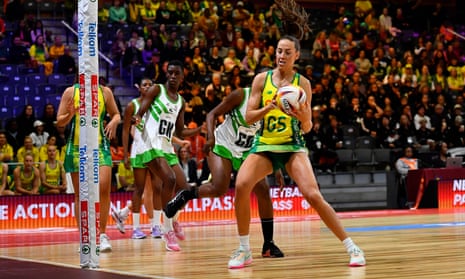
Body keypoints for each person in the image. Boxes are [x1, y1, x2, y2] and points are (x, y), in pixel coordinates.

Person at [225, 1, 366, 268]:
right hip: (265, 145)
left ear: (296, 56)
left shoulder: (303, 84)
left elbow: (308, 126)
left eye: (287, 52)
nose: (281, 56)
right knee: (242, 186)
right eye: (279, 51)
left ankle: (353, 247)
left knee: (312, 195)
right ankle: (244, 249)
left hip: (292, 146)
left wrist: (300, 114)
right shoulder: (261, 80)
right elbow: (247, 116)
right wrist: (271, 105)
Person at [165, 87, 285, 258]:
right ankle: (186, 195)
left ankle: (268, 244)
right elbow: (211, 114)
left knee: (263, 190)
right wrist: (211, 138)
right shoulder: (241, 95)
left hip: (247, 151)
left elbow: (270, 138)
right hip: (223, 144)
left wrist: (277, 168)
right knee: (219, 189)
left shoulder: (273, 106)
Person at [132, 61, 201, 251]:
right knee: (168, 179)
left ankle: (173, 219)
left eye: (176, 73)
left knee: (185, 189)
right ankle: (167, 229)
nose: (172, 76)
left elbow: (180, 130)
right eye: (169, 72)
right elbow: (142, 109)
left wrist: (200, 130)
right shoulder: (156, 90)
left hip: (166, 146)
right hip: (150, 145)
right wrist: (137, 117)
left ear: (181, 77)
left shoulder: (180, 101)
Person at [56, 81, 121, 252]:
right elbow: (59, 123)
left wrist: (114, 122)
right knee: (81, 194)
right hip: (77, 148)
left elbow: (116, 114)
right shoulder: (70, 91)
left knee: (103, 188)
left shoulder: (105, 92)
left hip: (100, 146)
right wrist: (70, 114)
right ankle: (84, 237)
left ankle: (101, 234)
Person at [112, 77, 164, 239]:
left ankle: (156, 226)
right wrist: (125, 155)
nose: (147, 87)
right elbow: (126, 131)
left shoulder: (157, 106)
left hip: (155, 151)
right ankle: (136, 228)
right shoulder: (132, 106)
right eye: (144, 84)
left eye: (150, 84)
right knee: (139, 189)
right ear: (139, 88)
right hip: (139, 151)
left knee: (157, 189)